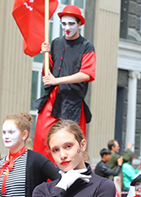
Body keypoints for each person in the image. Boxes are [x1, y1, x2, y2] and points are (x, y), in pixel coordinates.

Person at [32, 5, 96, 157]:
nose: (67, 28)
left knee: (70, 141)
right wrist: (45, 55)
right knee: (42, 138)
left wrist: (57, 80)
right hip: (53, 98)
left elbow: (87, 74)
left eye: (71, 24)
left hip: (73, 101)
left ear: (79, 24)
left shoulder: (86, 46)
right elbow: (47, 74)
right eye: (64, 23)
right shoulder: (56, 43)